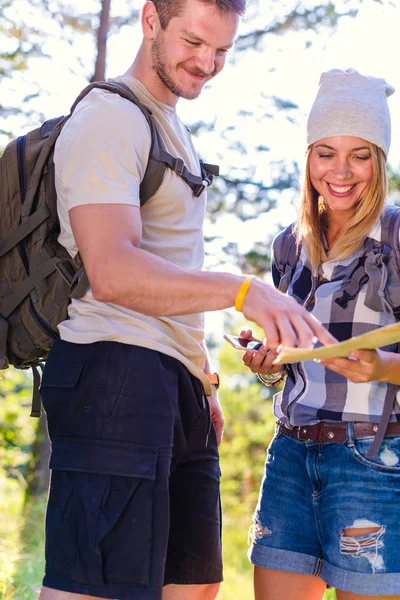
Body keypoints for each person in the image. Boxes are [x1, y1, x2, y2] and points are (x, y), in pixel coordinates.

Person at [37, 2, 333, 600]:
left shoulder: (170, 124)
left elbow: (169, 263)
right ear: (151, 20)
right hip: (110, 371)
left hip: (173, 380)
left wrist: (199, 374)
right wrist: (243, 291)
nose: (207, 62)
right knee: (97, 590)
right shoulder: (108, 118)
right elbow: (113, 269)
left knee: (194, 586)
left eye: (222, 49)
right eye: (194, 42)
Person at [241, 67, 400, 599]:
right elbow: (292, 361)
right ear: (308, 158)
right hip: (290, 454)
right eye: (326, 152)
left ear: (378, 162)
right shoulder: (289, 246)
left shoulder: (396, 235)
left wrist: (383, 367)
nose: (342, 170)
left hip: (370, 460)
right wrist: (269, 364)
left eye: (360, 154)